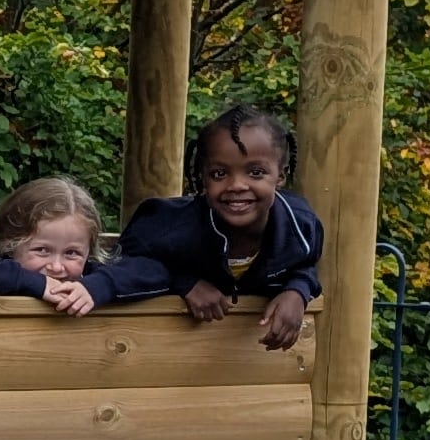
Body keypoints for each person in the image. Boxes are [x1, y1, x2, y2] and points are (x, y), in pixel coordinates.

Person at [118, 100, 322, 352]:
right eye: (219, 174)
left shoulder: (299, 225)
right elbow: (124, 254)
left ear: (280, 175)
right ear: (203, 177)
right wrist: (184, 282)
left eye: (256, 172)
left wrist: (298, 291)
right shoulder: (172, 226)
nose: (237, 185)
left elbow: (304, 264)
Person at [0, 175, 166, 316]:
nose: (56, 266)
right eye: (42, 250)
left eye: (72, 253)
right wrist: (34, 283)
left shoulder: (89, 275)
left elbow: (157, 272)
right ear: (11, 245)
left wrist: (99, 286)